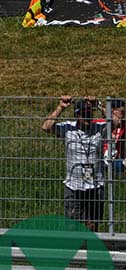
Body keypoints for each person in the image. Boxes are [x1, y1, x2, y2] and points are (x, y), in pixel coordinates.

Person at [42, 96, 107, 231]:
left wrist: (98, 105)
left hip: (95, 184)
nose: (87, 117)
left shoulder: (100, 128)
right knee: (72, 225)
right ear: (77, 115)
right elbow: (46, 127)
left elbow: (116, 122)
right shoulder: (68, 128)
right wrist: (61, 107)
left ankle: (91, 250)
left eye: (89, 113)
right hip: (73, 184)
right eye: (84, 114)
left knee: (92, 225)